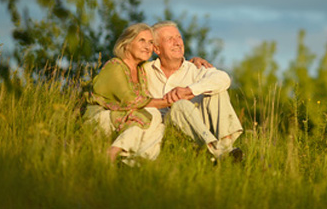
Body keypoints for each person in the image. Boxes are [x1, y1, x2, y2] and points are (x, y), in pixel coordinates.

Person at [144, 21, 243, 161]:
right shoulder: (145, 71)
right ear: (157, 49)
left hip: (199, 130)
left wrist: (189, 90)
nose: (177, 42)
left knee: (217, 90)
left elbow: (223, 78)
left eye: (178, 37)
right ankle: (220, 154)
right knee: (180, 105)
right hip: (168, 131)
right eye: (169, 39)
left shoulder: (195, 69)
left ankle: (224, 149)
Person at [84, 23, 170, 164]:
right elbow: (131, 101)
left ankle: (133, 161)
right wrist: (167, 102)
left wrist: (193, 61)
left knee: (159, 127)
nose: (148, 46)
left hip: (125, 117)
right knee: (153, 114)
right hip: (100, 118)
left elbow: (167, 64)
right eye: (142, 40)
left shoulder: (141, 71)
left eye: (151, 43)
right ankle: (113, 153)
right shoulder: (115, 66)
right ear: (126, 44)